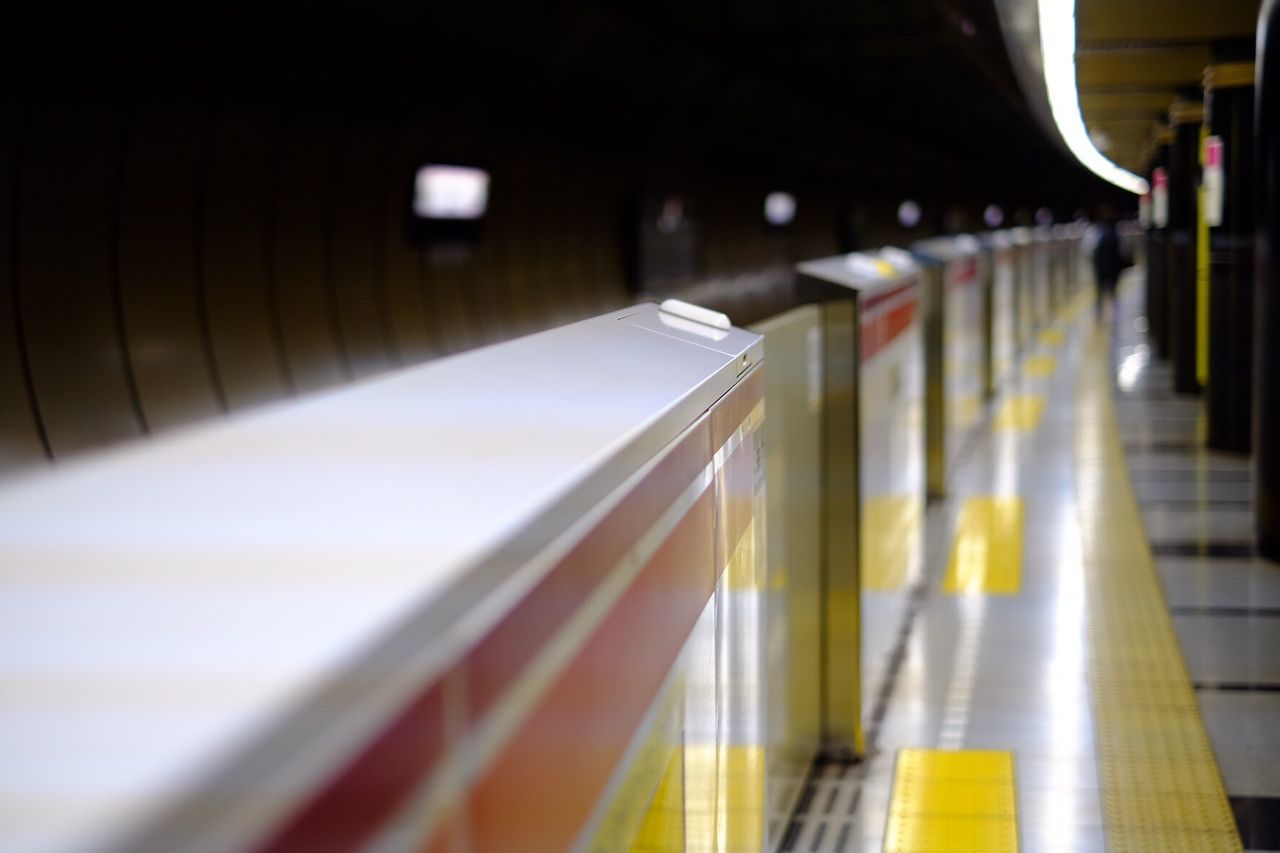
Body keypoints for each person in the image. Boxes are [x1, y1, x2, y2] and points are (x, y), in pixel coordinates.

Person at [1092, 205, 1123, 322]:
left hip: (1101, 269)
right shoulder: (1116, 232)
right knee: (1113, 293)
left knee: (1100, 293)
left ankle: (1099, 316)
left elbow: (1091, 251)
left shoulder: (1097, 232)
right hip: (1113, 269)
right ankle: (1115, 316)